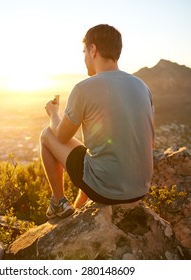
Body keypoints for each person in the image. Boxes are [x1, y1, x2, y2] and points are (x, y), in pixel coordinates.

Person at [40, 24, 154, 220]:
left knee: (46, 134)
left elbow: (60, 136)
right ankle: (78, 207)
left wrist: (53, 113)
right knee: (92, 154)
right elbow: (150, 141)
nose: (84, 58)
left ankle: (58, 202)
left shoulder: (84, 88)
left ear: (93, 50)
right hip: (141, 188)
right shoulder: (142, 86)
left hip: (108, 191)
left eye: (84, 52)